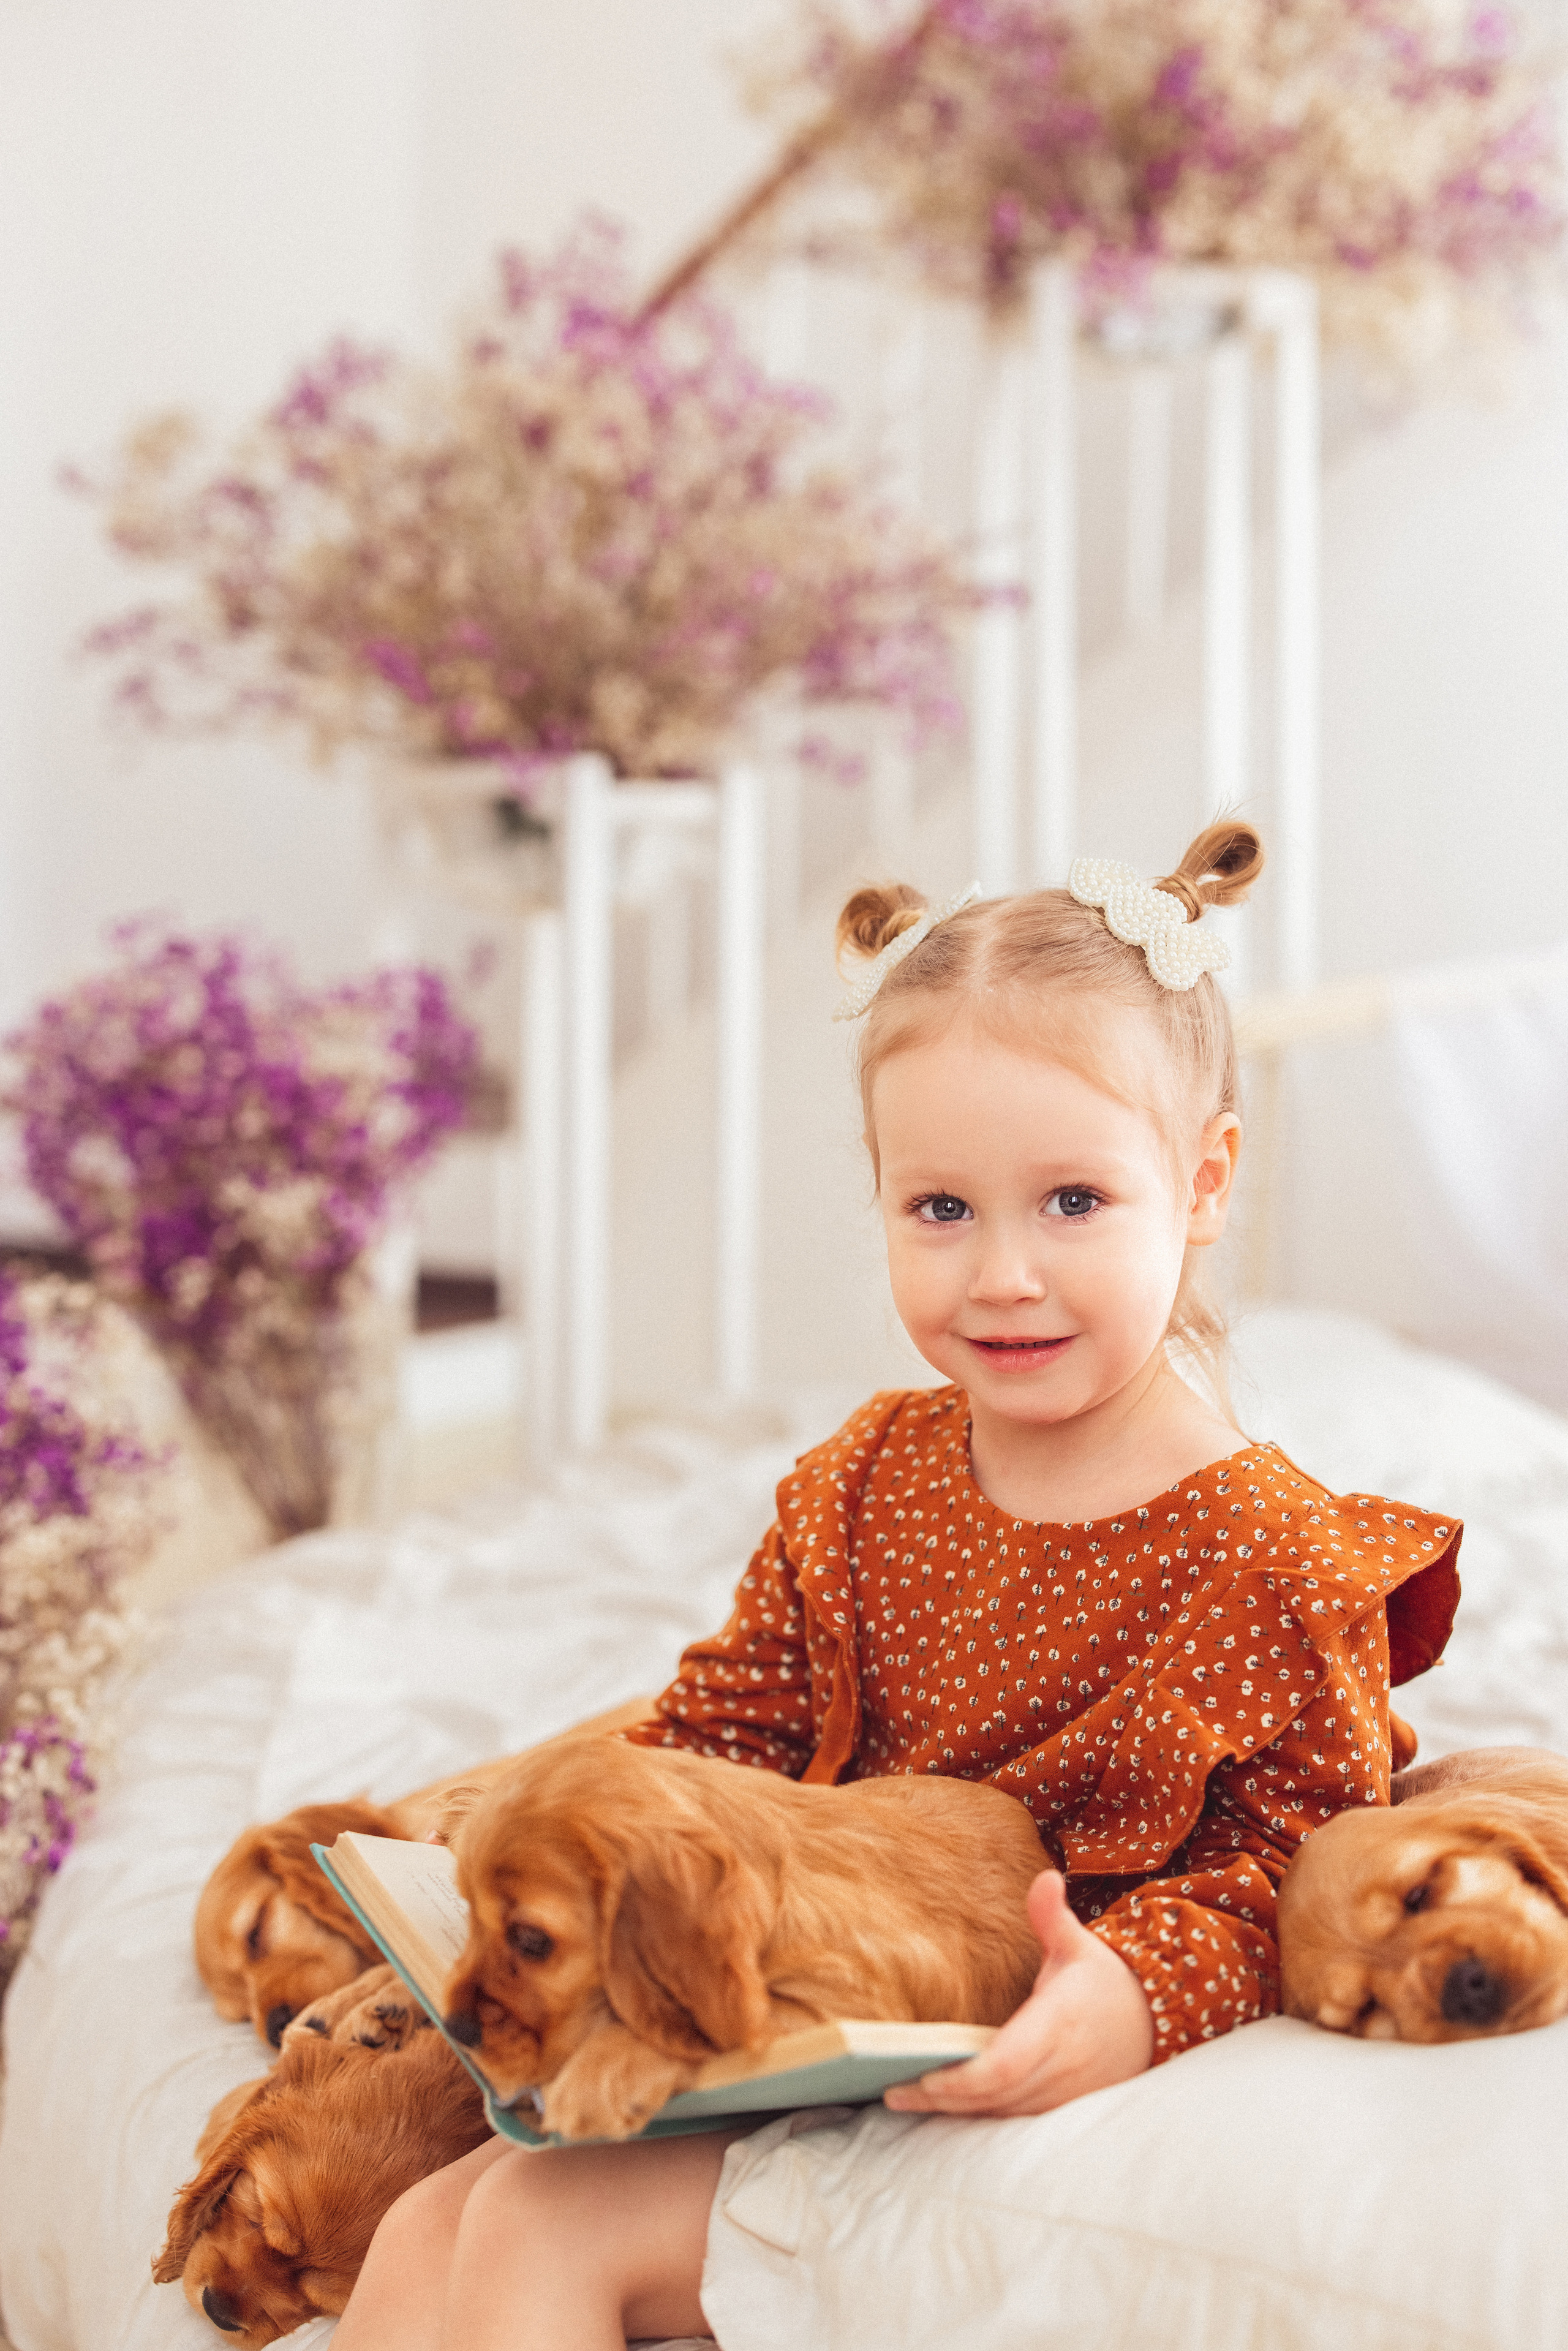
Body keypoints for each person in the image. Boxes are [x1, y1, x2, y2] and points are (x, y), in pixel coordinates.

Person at [333, 820, 1460, 2351]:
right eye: (941, 1209)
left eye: (1071, 1201)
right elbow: (723, 1735)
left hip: (1026, 2054)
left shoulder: (1268, 1554)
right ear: (880, 1195)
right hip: (810, 2010)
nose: (1000, 1271)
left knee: (538, 2229)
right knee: (425, 2221)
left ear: (1200, 1182)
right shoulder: (866, 1476)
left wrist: (1124, 1998)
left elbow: (1299, 1870)